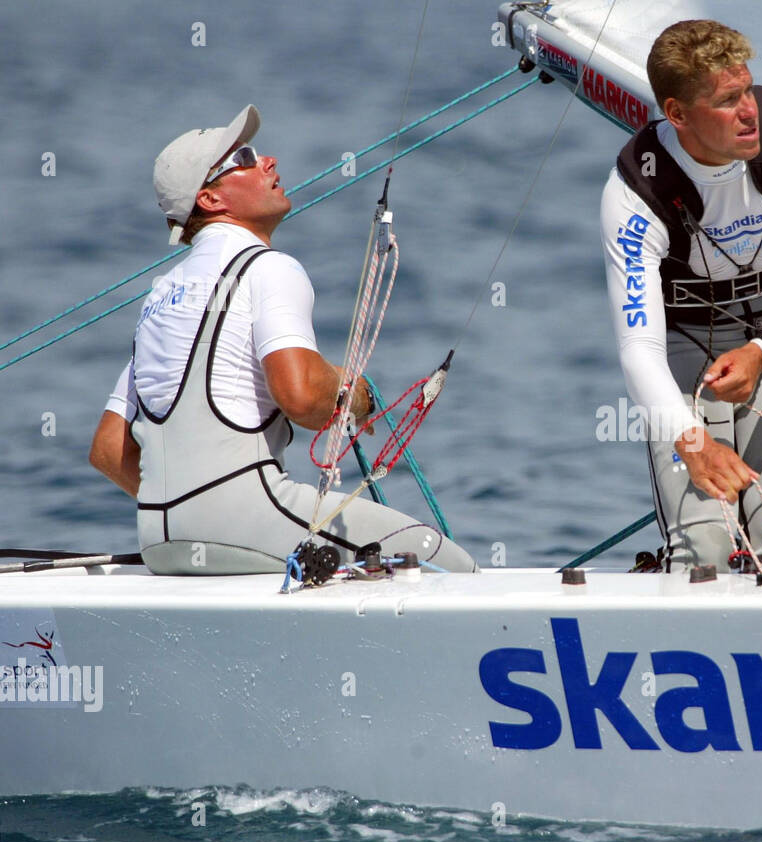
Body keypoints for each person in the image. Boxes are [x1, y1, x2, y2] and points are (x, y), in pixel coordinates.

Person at [89, 104, 476, 575]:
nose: (268, 160)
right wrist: (354, 395)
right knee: (447, 564)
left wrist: (193, 517)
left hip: (160, 537)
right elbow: (301, 398)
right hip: (246, 517)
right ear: (210, 201)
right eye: (246, 157)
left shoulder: (161, 294)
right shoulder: (268, 267)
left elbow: (110, 449)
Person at [601, 20, 762, 573]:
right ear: (677, 114)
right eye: (727, 101)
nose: (749, 111)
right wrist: (689, 440)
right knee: (706, 554)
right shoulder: (635, 193)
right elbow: (638, 350)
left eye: (747, 90)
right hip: (687, 345)